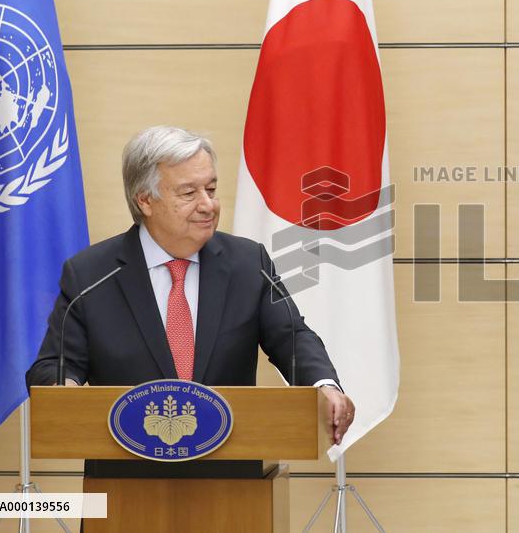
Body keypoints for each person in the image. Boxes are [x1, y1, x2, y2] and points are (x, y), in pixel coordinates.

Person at [27, 126, 354, 445]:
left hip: (232, 477)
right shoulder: (91, 275)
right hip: (125, 477)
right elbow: (56, 364)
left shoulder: (247, 263)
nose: (207, 205)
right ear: (145, 201)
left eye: (210, 190)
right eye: (188, 193)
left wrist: (323, 385)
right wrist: (63, 387)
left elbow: (291, 337)